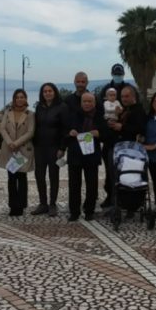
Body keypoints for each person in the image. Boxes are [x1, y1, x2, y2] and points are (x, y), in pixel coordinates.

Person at [102, 84, 146, 208]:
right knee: (111, 176)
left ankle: (128, 202)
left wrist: (122, 127)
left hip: (129, 151)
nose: (124, 99)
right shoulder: (123, 109)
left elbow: (140, 128)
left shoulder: (138, 110)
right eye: (122, 96)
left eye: (127, 96)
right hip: (115, 147)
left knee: (127, 176)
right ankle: (113, 199)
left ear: (133, 96)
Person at [66, 92, 107, 221]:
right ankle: (74, 211)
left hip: (91, 155)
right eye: (85, 101)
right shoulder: (73, 115)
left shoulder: (100, 116)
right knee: (74, 185)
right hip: (75, 155)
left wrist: (99, 133)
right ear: (81, 102)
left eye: (90, 101)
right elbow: (65, 133)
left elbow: (107, 134)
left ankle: (89, 211)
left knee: (92, 185)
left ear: (94, 103)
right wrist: (70, 133)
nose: (87, 104)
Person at [0, 89, 35, 217]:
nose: (20, 99)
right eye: (17, 97)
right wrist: (9, 143)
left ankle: (21, 205)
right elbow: (2, 128)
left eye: (22, 97)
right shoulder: (8, 112)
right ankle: (13, 206)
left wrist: (17, 143)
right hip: (10, 149)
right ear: (14, 99)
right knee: (11, 179)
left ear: (26, 99)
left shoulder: (30, 114)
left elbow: (31, 132)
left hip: (22, 150)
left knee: (22, 178)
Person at [32, 83, 68, 216]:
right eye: (45, 91)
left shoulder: (62, 107)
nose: (47, 93)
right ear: (42, 94)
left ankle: (52, 204)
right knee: (39, 175)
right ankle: (43, 203)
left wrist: (62, 148)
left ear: (55, 92)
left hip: (54, 147)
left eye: (50, 91)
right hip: (39, 147)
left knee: (54, 176)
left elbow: (65, 129)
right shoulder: (39, 107)